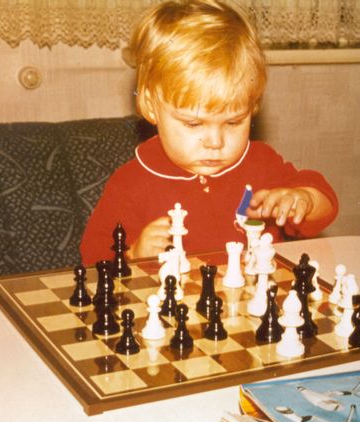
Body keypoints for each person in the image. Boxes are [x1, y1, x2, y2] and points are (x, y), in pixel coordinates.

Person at [80, 0, 338, 265]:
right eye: (193, 124)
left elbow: (325, 205)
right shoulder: (131, 183)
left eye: (234, 122)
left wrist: (304, 199)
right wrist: (132, 254)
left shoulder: (261, 164)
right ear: (150, 105)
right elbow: (93, 257)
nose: (215, 142)